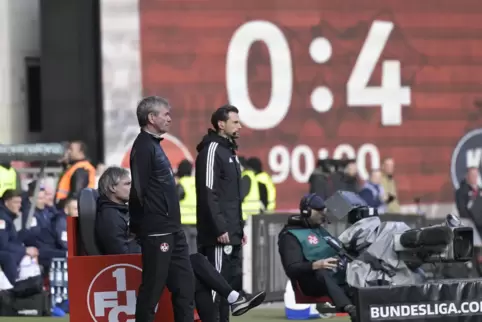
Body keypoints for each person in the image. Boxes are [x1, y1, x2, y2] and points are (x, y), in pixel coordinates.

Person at [95, 166, 265, 321]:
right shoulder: (110, 216)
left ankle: (234, 298)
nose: (132, 187)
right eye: (127, 184)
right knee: (196, 266)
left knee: (197, 270)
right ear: (112, 187)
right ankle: (234, 298)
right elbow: (120, 252)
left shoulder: (121, 212)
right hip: (140, 266)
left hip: (151, 259)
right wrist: (151, 243)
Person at [129, 96, 194, 322]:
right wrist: (140, 225)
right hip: (157, 230)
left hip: (173, 229)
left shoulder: (155, 145)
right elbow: (139, 189)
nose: (169, 118)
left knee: (185, 287)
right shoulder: (144, 147)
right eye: (165, 114)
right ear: (151, 118)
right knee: (152, 289)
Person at [195, 105, 263, 322]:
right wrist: (220, 227)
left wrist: (237, 228)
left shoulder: (228, 152)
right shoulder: (212, 150)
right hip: (217, 233)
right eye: (235, 122)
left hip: (230, 230)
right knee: (215, 285)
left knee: (226, 285)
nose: (240, 126)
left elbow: (231, 198)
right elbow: (208, 193)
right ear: (221, 124)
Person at [278, 193, 357, 322]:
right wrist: (316, 265)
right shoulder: (290, 235)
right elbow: (291, 268)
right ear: (307, 211)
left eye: (324, 210)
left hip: (336, 276)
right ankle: (348, 307)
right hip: (310, 282)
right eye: (319, 211)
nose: (323, 214)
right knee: (321, 272)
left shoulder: (320, 230)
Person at [0, 190, 39, 285]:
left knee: (27, 233)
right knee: (9, 257)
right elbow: (3, 244)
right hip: (5, 253)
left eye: (20, 202)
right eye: (16, 202)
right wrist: (24, 250)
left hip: (9, 248)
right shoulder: (2, 218)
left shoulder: (8, 216)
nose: (19, 205)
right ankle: (16, 287)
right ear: (6, 203)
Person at [55, 141, 96, 206]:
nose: (68, 151)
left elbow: (77, 194)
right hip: (67, 208)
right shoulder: (74, 166)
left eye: (71, 149)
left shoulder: (82, 168)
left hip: (70, 209)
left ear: (81, 152)